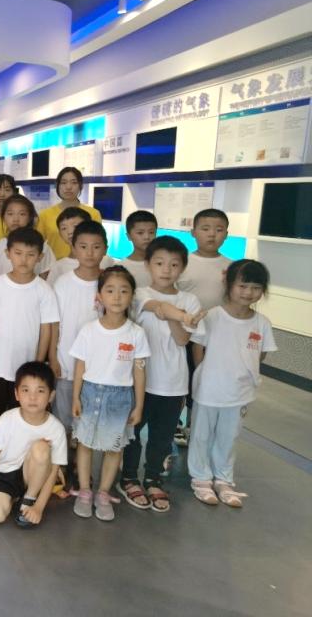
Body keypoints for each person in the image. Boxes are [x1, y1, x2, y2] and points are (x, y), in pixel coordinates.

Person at [119, 236, 204, 512]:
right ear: (148, 265)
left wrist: (179, 319)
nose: (166, 270)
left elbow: (181, 340)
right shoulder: (140, 294)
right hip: (140, 380)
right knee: (132, 432)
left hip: (173, 382)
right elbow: (157, 307)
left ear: (183, 268)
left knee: (162, 436)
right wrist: (182, 316)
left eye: (174, 264)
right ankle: (128, 477)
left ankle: (153, 478)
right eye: (159, 263)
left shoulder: (190, 299)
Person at [188, 259, 276, 508]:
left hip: (239, 392)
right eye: (243, 286)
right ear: (229, 285)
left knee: (229, 437)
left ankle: (224, 479)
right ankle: (201, 478)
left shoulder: (262, 323)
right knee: (201, 435)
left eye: (256, 288)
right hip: (209, 389)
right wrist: (205, 373)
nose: (248, 292)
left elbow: (261, 354)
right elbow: (198, 348)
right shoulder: (212, 316)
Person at [70, 266, 151, 521]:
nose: (117, 297)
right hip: (89, 392)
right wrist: (75, 397)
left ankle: (103, 493)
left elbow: (139, 371)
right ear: (100, 296)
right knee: (84, 443)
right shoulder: (88, 330)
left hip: (120, 398)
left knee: (114, 447)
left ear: (132, 296)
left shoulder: (136, 333)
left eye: (124, 291)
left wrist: (139, 405)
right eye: (110, 290)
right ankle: (85, 491)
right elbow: (80, 366)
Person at [0, 227, 59, 448]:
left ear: (40, 257)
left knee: (21, 416)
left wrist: (38, 363)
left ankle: (16, 456)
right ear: (8, 253)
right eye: (18, 253)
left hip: (25, 368)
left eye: (31, 255)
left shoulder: (44, 290)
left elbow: (46, 329)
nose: (24, 259)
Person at [0, 361, 67, 528]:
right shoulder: (7, 419)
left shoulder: (56, 429)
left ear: (51, 396)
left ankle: (29, 499)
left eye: (40, 391)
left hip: (33, 477)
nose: (32, 397)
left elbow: (53, 471)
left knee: (41, 448)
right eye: (26, 390)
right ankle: (14, 498)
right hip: (4, 474)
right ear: (16, 394)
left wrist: (39, 507)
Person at [176, 208, 232, 445]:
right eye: (205, 228)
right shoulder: (182, 263)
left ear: (226, 234)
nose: (212, 234)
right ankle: (174, 424)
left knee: (205, 383)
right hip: (184, 337)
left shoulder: (231, 267)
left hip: (215, 338)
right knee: (182, 382)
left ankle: (194, 425)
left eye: (219, 230)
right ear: (193, 232)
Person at [49, 221, 108, 437]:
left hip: (99, 366)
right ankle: (63, 455)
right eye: (83, 247)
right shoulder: (63, 283)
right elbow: (54, 324)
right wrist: (53, 357)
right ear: (73, 248)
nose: (90, 253)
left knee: (91, 422)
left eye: (96, 247)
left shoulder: (109, 283)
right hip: (66, 362)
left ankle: (83, 454)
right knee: (63, 420)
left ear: (106, 248)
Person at [37, 166, 101, 260]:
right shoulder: (45, 215)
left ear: (80, 185)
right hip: (54, 266)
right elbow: (36, 246)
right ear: (57, 186)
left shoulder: (93, 214)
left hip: (85, 264)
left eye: (74, 182)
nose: (68, 187)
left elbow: (98, 243)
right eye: (63, 183)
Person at [0, 195, 55, 278]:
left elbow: (46, 279)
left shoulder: (43, 247)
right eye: (10, 214)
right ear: (3, 217)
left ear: (30, 217)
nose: (16, 219)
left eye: (22, 214)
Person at [45, 206, 114, 286]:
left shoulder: (106, 261)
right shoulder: (58, 267)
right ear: (60, 234)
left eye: (75, 226)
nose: (70, 232)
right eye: (64, 228)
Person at [116, 210, 158, 290]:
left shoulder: (165, 264)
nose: (147, 237)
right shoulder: (120, 268)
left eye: (151, 232)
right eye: (140, 233)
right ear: (129, 236)